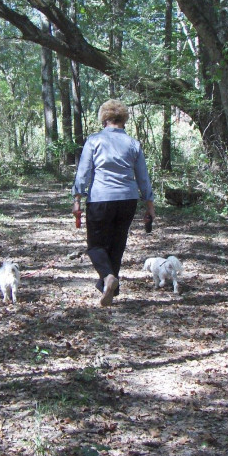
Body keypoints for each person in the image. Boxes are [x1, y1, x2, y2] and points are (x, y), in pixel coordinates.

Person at [71, 99, 155, 307]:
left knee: (96, 246)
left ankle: (108, 277)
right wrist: (150, 206)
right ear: (123, 119)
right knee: (117, 244)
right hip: (128, 199)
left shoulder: (94, 141)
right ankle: (109, 287)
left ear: (104, 118)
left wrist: (77, 199)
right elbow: (143, 177)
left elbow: (84, 173)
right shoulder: (133, 144)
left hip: (101, 198)